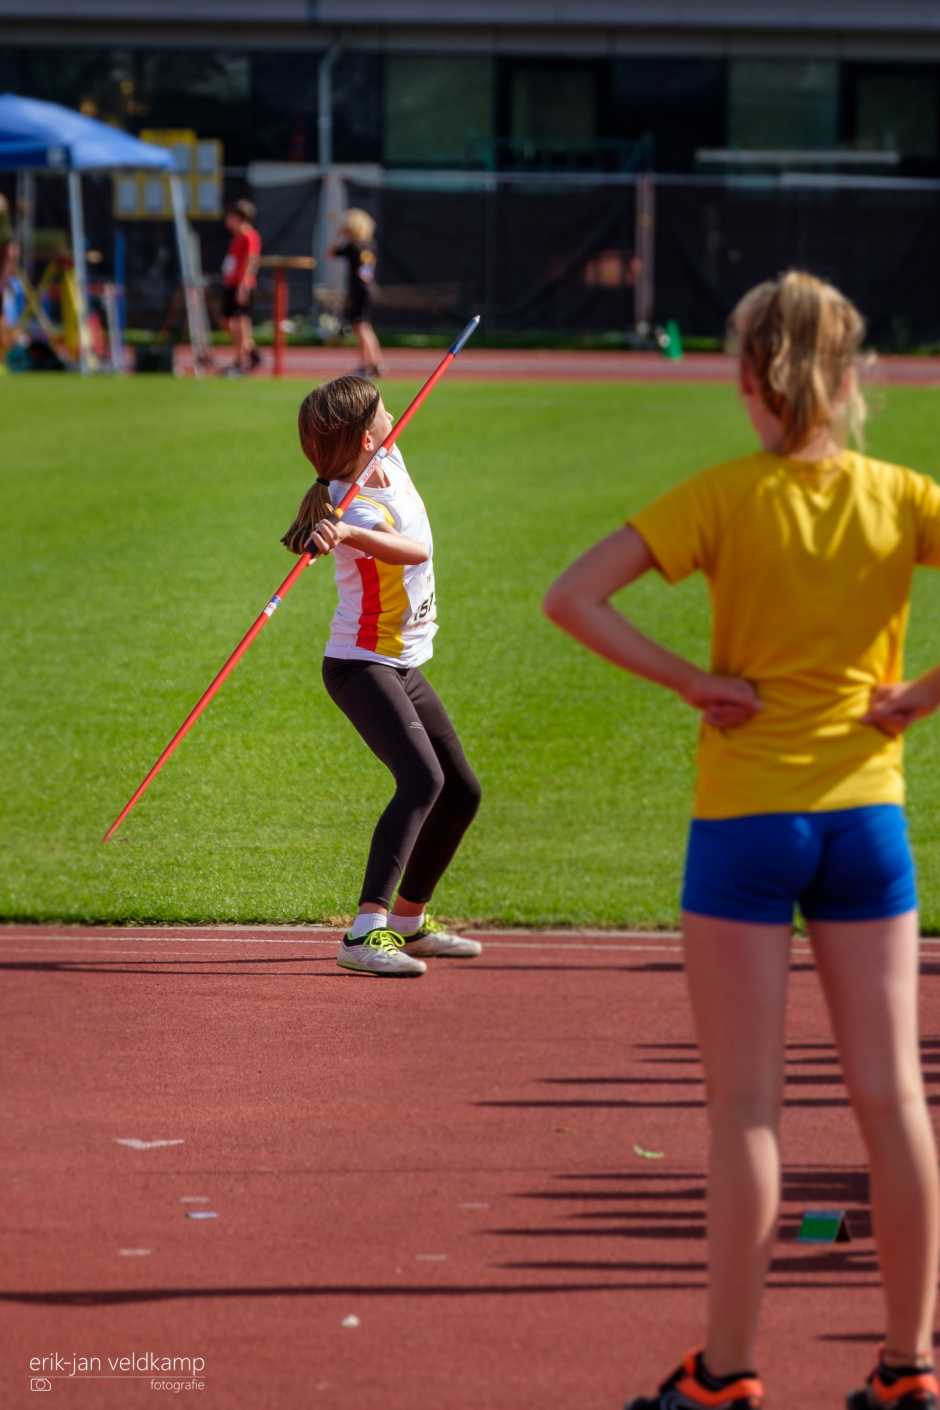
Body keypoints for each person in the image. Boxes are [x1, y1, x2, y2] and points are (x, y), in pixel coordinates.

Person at [543, 271, 940, 1410]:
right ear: (851, 376)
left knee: (746, 1113)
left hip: (743, 825)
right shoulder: (901, 493)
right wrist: (920, 696)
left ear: (749, 378)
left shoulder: (721, 497)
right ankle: (908, 1368)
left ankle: (725, 1374)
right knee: (895, 1101)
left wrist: (690, 682)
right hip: (868, 819)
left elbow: (572, 597)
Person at [281, 375, 482, 976]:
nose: (396, 414)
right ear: (368, 437)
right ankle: (365, 933)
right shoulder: (355, 507)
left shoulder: (387, 457)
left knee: (461, 791)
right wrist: (343, 531)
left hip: (401, 662)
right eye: (383, 413)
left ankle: (409, 924)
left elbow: (369, 432)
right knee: (421, 779)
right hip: (361, 664)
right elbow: (409, 552)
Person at [328, 208, 385, 378]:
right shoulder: (370, 244)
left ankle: (369, 365)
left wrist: (338, 235)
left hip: (359, 290)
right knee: (365, 326)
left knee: (360, 327)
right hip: (369, 288)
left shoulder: (353, 246)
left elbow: (330, 253)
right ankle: (375, 362)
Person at [220, 199, 261, 376]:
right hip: (230, 284)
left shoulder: (249, 236)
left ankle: (239, 362)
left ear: (238, 217)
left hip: (240, 285)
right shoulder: (237, 237)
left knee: (240, 323)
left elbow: (251, 261)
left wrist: (243, 286)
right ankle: (252, 352)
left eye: (230, 217)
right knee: (227, 322)